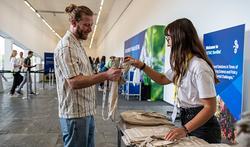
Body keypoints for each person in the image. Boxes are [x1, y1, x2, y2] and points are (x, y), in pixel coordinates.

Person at [125, 18, 221, 143]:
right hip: (188, 121)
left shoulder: (199, 67)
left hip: (204, 128)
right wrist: (142, 65)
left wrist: (184, 129)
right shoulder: (183, 63)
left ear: (179, 38)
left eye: (168, 38)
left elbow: (210, 108)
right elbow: (162, 79)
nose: (168, 43)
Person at [54, 4, 121, 147]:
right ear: (73, 23)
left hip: (85, 111)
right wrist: (105, 75)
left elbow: (85, 75)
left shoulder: (77, 45)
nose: (90, 29)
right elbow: (74, 82)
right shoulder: (67, 47)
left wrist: (109, 71)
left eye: (91, 25)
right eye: (86, 25)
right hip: (75, 114)